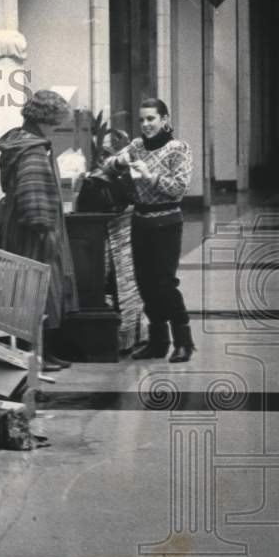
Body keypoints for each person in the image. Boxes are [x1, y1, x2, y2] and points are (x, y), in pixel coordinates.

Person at [102, 98, 194, 362]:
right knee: (144, 283)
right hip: (140, 222)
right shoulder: (137, 145)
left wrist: (149, 175)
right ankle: (158, 341)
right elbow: (108, 166)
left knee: (164, 283)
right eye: (142, 120)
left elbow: (179, 187)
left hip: (167, 222)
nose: (146, 124)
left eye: (151, 119)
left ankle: (184, 341)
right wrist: (120, 163)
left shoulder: (179, 148)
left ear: (164, 119)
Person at [0, 89, 79, 369]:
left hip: (21, 231)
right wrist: (44, 228)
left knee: (35, 293)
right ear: (47, 119)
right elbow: (33, 194)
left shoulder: (23, 144)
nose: (57, 127)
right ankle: (38, 356)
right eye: (56, 121)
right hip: (33, 235)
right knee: (38, 293)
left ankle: (44, 353)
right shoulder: (33, 151)